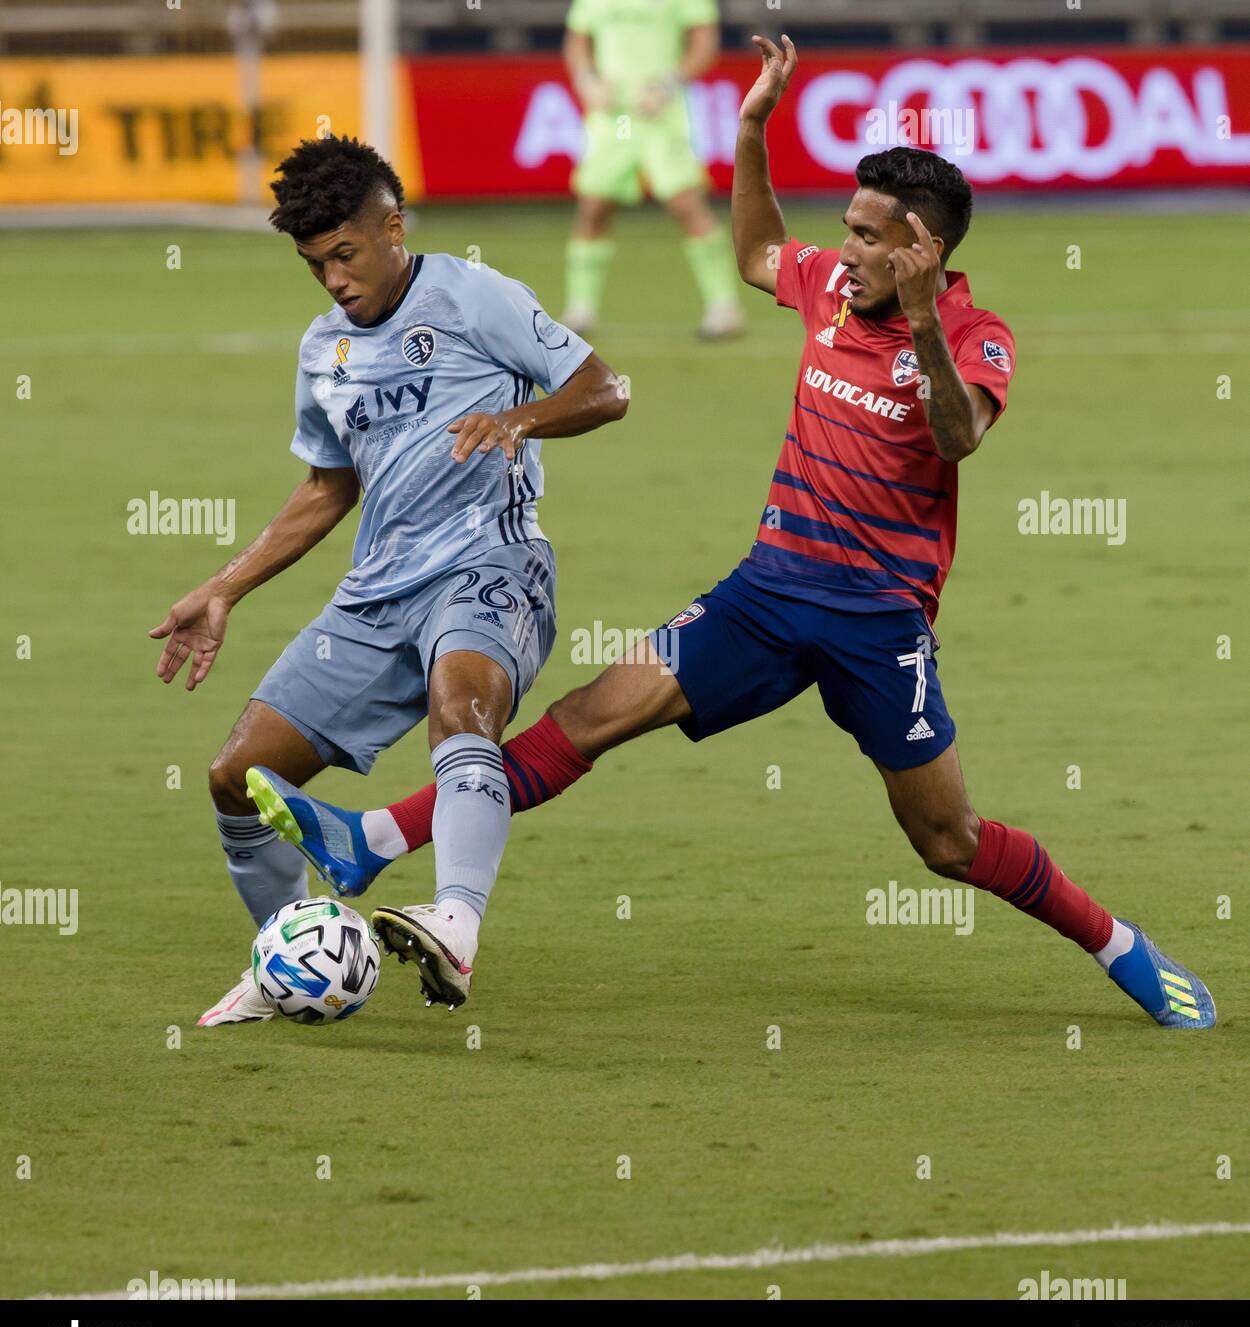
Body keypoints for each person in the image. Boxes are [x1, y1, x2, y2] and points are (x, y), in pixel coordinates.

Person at [248, 42, 1215, 1031]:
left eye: (866, 235)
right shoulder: (828, 293)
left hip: (874, 621)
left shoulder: (973, 333)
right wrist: (751, 129)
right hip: (763, 591)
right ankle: (370, 838)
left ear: (917, 247)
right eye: (842, 228)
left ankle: (1119, 947)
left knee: (946, 840)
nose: (840, 250)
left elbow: (956, 435)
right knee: (590, 714)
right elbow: (756, 252)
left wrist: (923, 321)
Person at [149, 135, 628, 1023]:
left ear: (393, 229)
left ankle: (457, 923)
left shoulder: (470, 294)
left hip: (492, 563)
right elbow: (329, 486)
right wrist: (226, 585)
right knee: (237, 777)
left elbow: (606, 389)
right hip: (375, 597)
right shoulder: (322, 349)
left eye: (345, 253)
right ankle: (292, 959)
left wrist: (519, 419)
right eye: (314, 262)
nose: (332, 278)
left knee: (464, 706)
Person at [562, 0, 744, 338]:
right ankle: (580, 309)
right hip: (611, 115)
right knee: (593, 207)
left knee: (685, 203)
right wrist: (587, 79)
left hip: (660, 113)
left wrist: (670, 82)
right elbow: (577, 40)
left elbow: (704, 42)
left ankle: (724, 306)